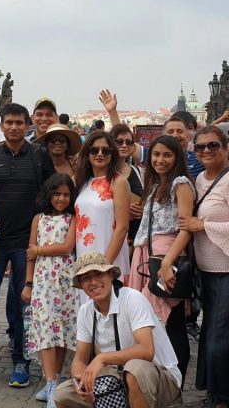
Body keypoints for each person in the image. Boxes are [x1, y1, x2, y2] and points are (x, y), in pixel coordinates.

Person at [0, 102, 55, 385]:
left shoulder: (39, 155)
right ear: (2, 126)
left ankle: (21, 360)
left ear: (27, 125)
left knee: (25, 305)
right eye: (8, 123)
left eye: (18, 123)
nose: (13, 127)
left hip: (26, 242)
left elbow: (50, 193)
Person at [180, 126, 229, 407]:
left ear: (226, 147)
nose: (206, 151)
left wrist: (203, 225)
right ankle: (221, 392)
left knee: (220, 335)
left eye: (213, 145)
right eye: (200, 147)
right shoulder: (199, 178)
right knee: (214, 331)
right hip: (206, 271)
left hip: (228, 269)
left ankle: (224, 396)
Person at [52, 251, 182, 408]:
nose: (93, 282)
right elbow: (80, 359)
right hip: (115, 380)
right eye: (86, 278)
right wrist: (80, 381)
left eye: (98, 274)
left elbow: (146, 350)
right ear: (81, 285)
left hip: (160, 382)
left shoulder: (132, 298)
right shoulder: (85, 311)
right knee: (62, 394)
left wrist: (102, 358)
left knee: (135, 369)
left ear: (111, 276)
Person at [127, 135, 193, 383]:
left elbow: (185, 228)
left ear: (177, 157)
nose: (160, 160)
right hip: (149, 255)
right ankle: (158, 378)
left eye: (167, 155)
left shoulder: (181, 183)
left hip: (166, 256)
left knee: (172, 321)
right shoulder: (156, 184)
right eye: (156, 154)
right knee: (149, 320)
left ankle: (175, 383)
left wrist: (167, 264)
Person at [23, 174, 78, 407]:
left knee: (63, 330)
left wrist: (39, 250)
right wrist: (28, 284)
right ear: (49, 194)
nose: (61, 198)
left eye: (66, 194)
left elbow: (67, 247)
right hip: (43, 282)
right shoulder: (39, 218)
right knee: (45, 329)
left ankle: (57, 378)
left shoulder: (72, 219)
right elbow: (29, 254)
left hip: (65, 280)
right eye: (57, 194)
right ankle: (50, 382)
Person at [74, 130, 131, 287]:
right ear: (87, 153)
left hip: (110, 254)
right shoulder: (81, 182)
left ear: (112, 154)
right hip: (84, 253)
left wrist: (104, 266)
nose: (100, 154)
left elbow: (122, 227)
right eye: (94, 150)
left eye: (105, 150)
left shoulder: (118, 182)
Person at [108, 123, 145, 247]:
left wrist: (142, 209)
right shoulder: (102, 173)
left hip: (136, 240)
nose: (124, 146)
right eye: (119, 142)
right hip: (111, 237)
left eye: (129, 142)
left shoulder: (139, 172)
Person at [166, 112, 203, 178]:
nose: (175, 135)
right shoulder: (154, 156)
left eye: (180, 131)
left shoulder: (199, 158)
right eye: (171, 131)